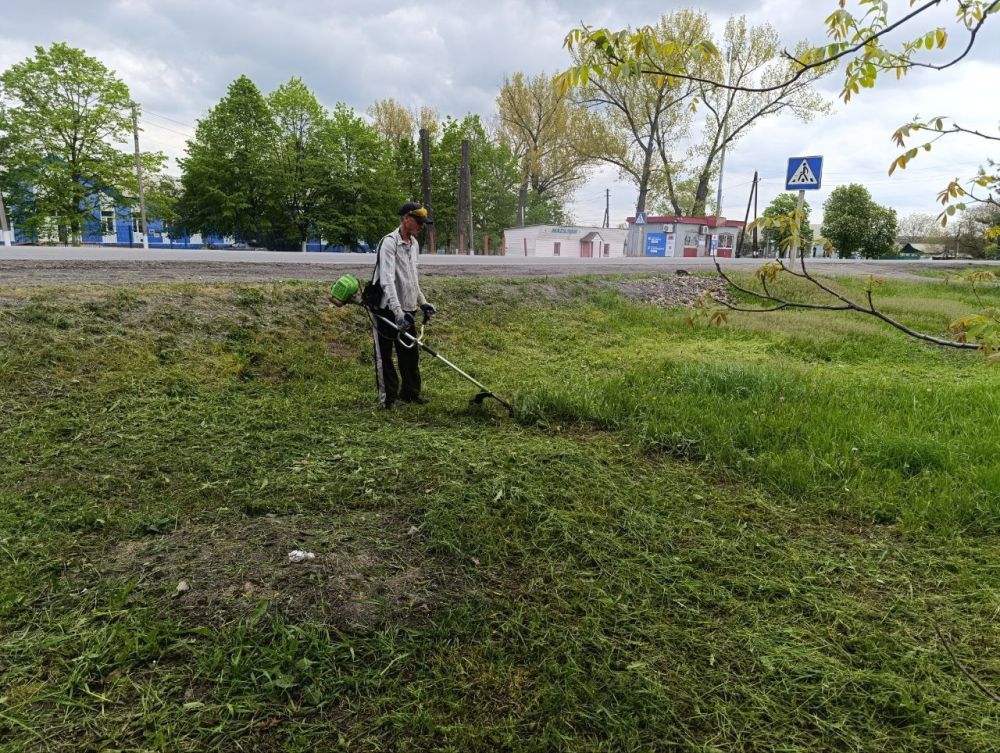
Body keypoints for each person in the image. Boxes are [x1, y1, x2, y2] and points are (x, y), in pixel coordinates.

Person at [370, 202, 436, 408]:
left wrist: (422, 302)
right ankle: (388, 399)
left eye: (423, 223)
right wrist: (397, 312)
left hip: (406, 308)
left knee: (410, 352)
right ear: (406, 218)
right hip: (385, 309)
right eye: (418, 221)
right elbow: (387, 280)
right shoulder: (389, 243)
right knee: (385, 356)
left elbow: (411, 278)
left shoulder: (413, 244)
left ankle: (410, 393)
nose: (421, 226)